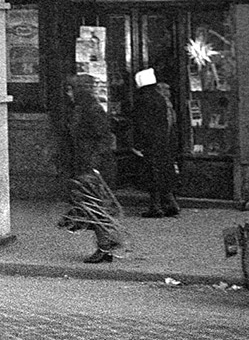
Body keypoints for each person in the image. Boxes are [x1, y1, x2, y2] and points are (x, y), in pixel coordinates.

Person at [60, 74, 126, 263]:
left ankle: (105, 247)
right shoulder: (80, 109)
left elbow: (104, 138)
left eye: (71, 90)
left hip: (95, 166)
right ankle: (105, 246)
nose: (68, 94)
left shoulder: (91, 110)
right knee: (92, 206)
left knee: (95, 207)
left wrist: (94, 163)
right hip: (85, 163)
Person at [133, 69, 181, 217]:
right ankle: (170, 203)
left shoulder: (143, 99)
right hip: (163, 141)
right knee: (164, 172)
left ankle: (155, 207)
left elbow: (141, 123)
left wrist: (139, 142)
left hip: (150, 142)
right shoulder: (159, 98)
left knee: (152, 174)